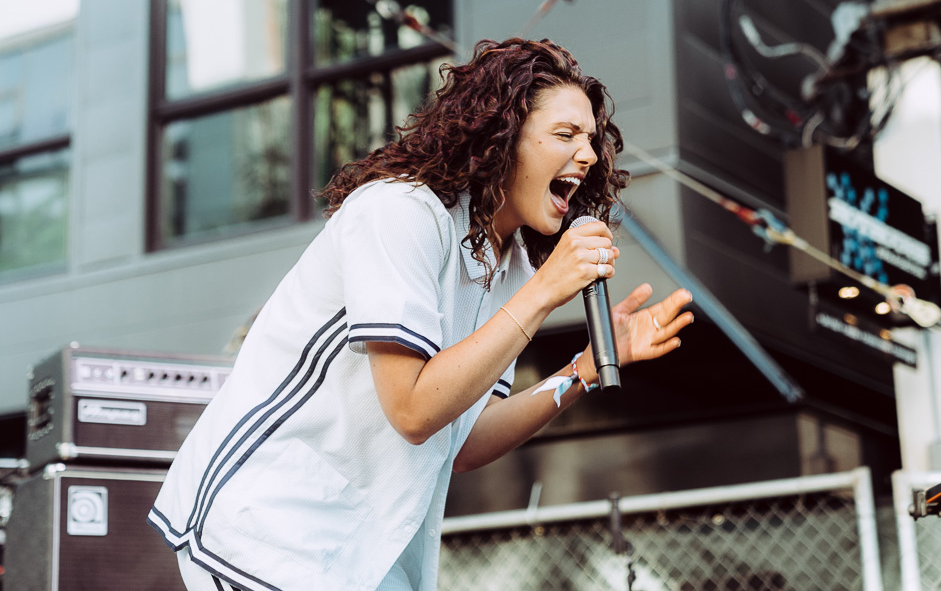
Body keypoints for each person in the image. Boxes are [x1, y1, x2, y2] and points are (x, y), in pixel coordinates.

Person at [147, 38, 694, 591]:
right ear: (501, 137)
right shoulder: (398, 213)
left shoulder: (508, 268)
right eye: (565, 135)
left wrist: (583, 370)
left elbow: (463, 440)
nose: (590, 156)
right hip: (269, 529)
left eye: (593, 141)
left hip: (364, 553)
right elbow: (412, 409)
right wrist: (545, 294)